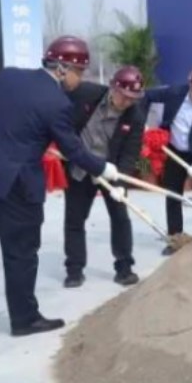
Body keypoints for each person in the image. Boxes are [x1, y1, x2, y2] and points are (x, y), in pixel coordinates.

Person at [0, 36, 118, 337]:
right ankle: (24, 319)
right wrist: (103, 168)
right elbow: (74, 150)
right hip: (15, 184)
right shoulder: (57, 104)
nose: (81, 79)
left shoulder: (10, 77)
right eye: (80, 72)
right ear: (62, 68)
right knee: (21, 252)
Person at [62, 65, 147, 288]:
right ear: (113, 87)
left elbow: (130, 153)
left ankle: (124, 268)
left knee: (120, 218)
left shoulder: (135, 116)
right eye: (124, 95)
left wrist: (120, 183)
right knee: (74, 220)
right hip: (80, 167)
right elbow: (58, 107)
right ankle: (74, 270)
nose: (127, 102)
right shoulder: (86, 93)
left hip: (111, 171)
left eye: (133, 98)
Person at [144, 65, 192, 254]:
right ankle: (175, 239)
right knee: (173, 195)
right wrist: (143, 123)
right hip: (175, 151)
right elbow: (145, 96)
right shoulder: (174, 93)